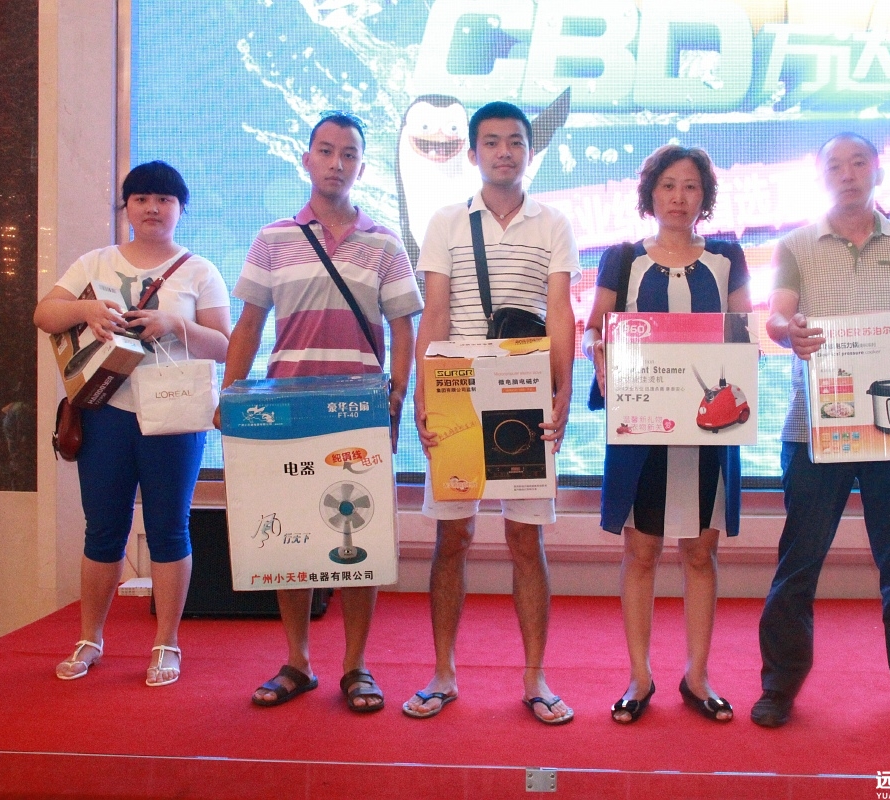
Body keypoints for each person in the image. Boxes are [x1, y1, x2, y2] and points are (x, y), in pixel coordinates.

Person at [752, 132, 890, 733]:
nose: (847, 173)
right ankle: (779, 687)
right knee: (798, 566)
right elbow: (777, 315)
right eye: (835, 165)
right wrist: (789, 329)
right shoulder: (796, 244)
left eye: (858, 162)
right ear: (820, 178)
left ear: (878, 170)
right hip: (816, 428)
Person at [220, 111, 422, 713]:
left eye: (349, 154)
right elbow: (249, 324)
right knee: (292, 538)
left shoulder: (385, 243)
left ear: (361, 165)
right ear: (306, 158)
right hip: (287, 411)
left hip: (358, 410)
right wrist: (229, 394)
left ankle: (356, 665)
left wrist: (396, 395)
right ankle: (298, 661)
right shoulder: (272, 238)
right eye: (326, 151)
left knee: (359, 539)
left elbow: (403, 327)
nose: (337, 163)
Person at [404, 101, 580, 725]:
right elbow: (435, 313)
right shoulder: (446, 221)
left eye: (515, 141)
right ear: (473, 152)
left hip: (524, 393)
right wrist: (423, 394)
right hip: (456, 390)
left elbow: (560, 312)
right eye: (492, 141)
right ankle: (442, 672)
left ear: (530, 151)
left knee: (525, 539)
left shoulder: (553, 223)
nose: (504, 151)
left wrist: (563, 388)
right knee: (451, 537)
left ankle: (535, 678)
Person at [34, 160, 232, 687]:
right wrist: (87, 312)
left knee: (169, 528)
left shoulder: (199, 270)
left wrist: (174, 324)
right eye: (141, 198)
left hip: (175, 417)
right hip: (105, 413)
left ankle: (166, 643)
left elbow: (225, 346)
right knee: (102, 528)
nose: (152, 208)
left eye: (164, 199)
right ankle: (89, 639)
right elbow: (44, 314)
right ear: (126, 207)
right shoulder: (95, 262)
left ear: (181, 209)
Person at [581, 145, 750, 724]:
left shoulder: (728, 258)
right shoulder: (623, 258)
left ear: (705, 197)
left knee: (700, 552)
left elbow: (743, 334)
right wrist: (599, 352)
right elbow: (595, 330)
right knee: (642, 551)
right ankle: (639, 676)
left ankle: (697, 676)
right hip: (642, 429)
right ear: (650, 193)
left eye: (691, 187)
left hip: (709, 428)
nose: (679, 197)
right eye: (669, 186)